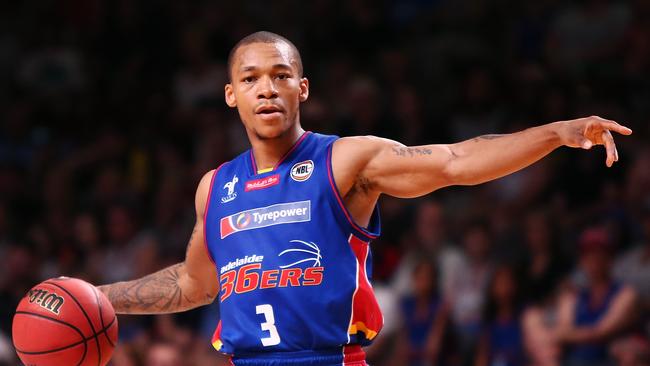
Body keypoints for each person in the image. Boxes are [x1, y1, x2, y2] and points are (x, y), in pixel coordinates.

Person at [97, 31, 632, 365]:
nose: (267, 88)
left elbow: (455, 162)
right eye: (251, 78)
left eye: (281, 75)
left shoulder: (344, 160)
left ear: (301, 89)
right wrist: (97, 297)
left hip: (331, 359)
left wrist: (556, 133)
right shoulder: (215, 186)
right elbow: (195, 284)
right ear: (231, 94)